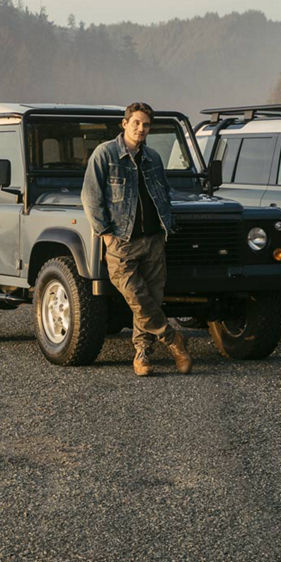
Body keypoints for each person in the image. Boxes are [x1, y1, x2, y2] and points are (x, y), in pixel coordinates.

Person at [81, 102, 192, 376]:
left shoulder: (153, 157)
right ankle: (173, 339)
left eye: (146, 125)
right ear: (125, 123)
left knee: (151, 299)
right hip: (121, 241)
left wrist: (167, 226)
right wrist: (106, 235)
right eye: (136, 123)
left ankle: (142, 355)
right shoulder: (105, 154)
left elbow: (163, 192)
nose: (141, 128)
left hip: (154, 239)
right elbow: (90, 197)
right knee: (136, 297)